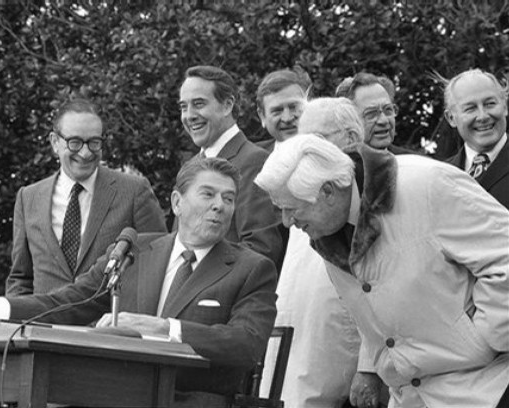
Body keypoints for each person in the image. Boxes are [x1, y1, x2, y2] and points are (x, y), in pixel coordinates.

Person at [0, 157, 278, 408]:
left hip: (193, 400)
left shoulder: (250, 268)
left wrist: (165, 328)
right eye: (208, 194)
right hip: (115, 395)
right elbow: (69, 302)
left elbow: (246, 344)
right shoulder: (134, 251)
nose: (220, 206)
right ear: (177, 202)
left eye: (229, 198)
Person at [255, 134, 509, 408]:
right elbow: (374, 307)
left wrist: (485, 339)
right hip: (412, 397)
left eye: (291, 209)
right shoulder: (327, 233)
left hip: (485, 389)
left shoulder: (427, 184)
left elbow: (503, 256)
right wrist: (373, 367)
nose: (287, 221)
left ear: (328, 191)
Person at [258, 83, 365, 407]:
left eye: (316, 140)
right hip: (293, 311)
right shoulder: (295, 183)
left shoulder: (377, 188)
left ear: (350, 139)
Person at [5, 98, 166, 296]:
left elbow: (157, 268)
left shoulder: (134, 192)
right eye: (75, 142)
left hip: (107, 325)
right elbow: (21, 279)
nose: (85, 152)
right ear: (55, 143)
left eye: (94, 142)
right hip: (42, 324)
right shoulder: (28, 198)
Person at [179, 65, 283, 270]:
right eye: (183, 107)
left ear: (227, 106)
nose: (189, 115)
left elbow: (261, 249)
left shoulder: (255, 162)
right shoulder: (191, 167)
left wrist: (199, 282)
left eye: (198, 104)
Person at [443, 68, 509, 209]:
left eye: (490, 104)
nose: (483, 116)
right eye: (470, 108)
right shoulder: (441, 175)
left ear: (505, 106)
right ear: (451, 118)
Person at [335, 72, 413, 154]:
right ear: (348, 120)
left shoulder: (413, 163)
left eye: (388, 110)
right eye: (371, 114)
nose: (384, 120)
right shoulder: (335, 165)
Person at [255, 68, 312, 151]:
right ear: (262, 116)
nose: (287, 118)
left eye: (294, 107)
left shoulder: (333, 151)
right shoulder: (252, 158)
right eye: (277, 111)